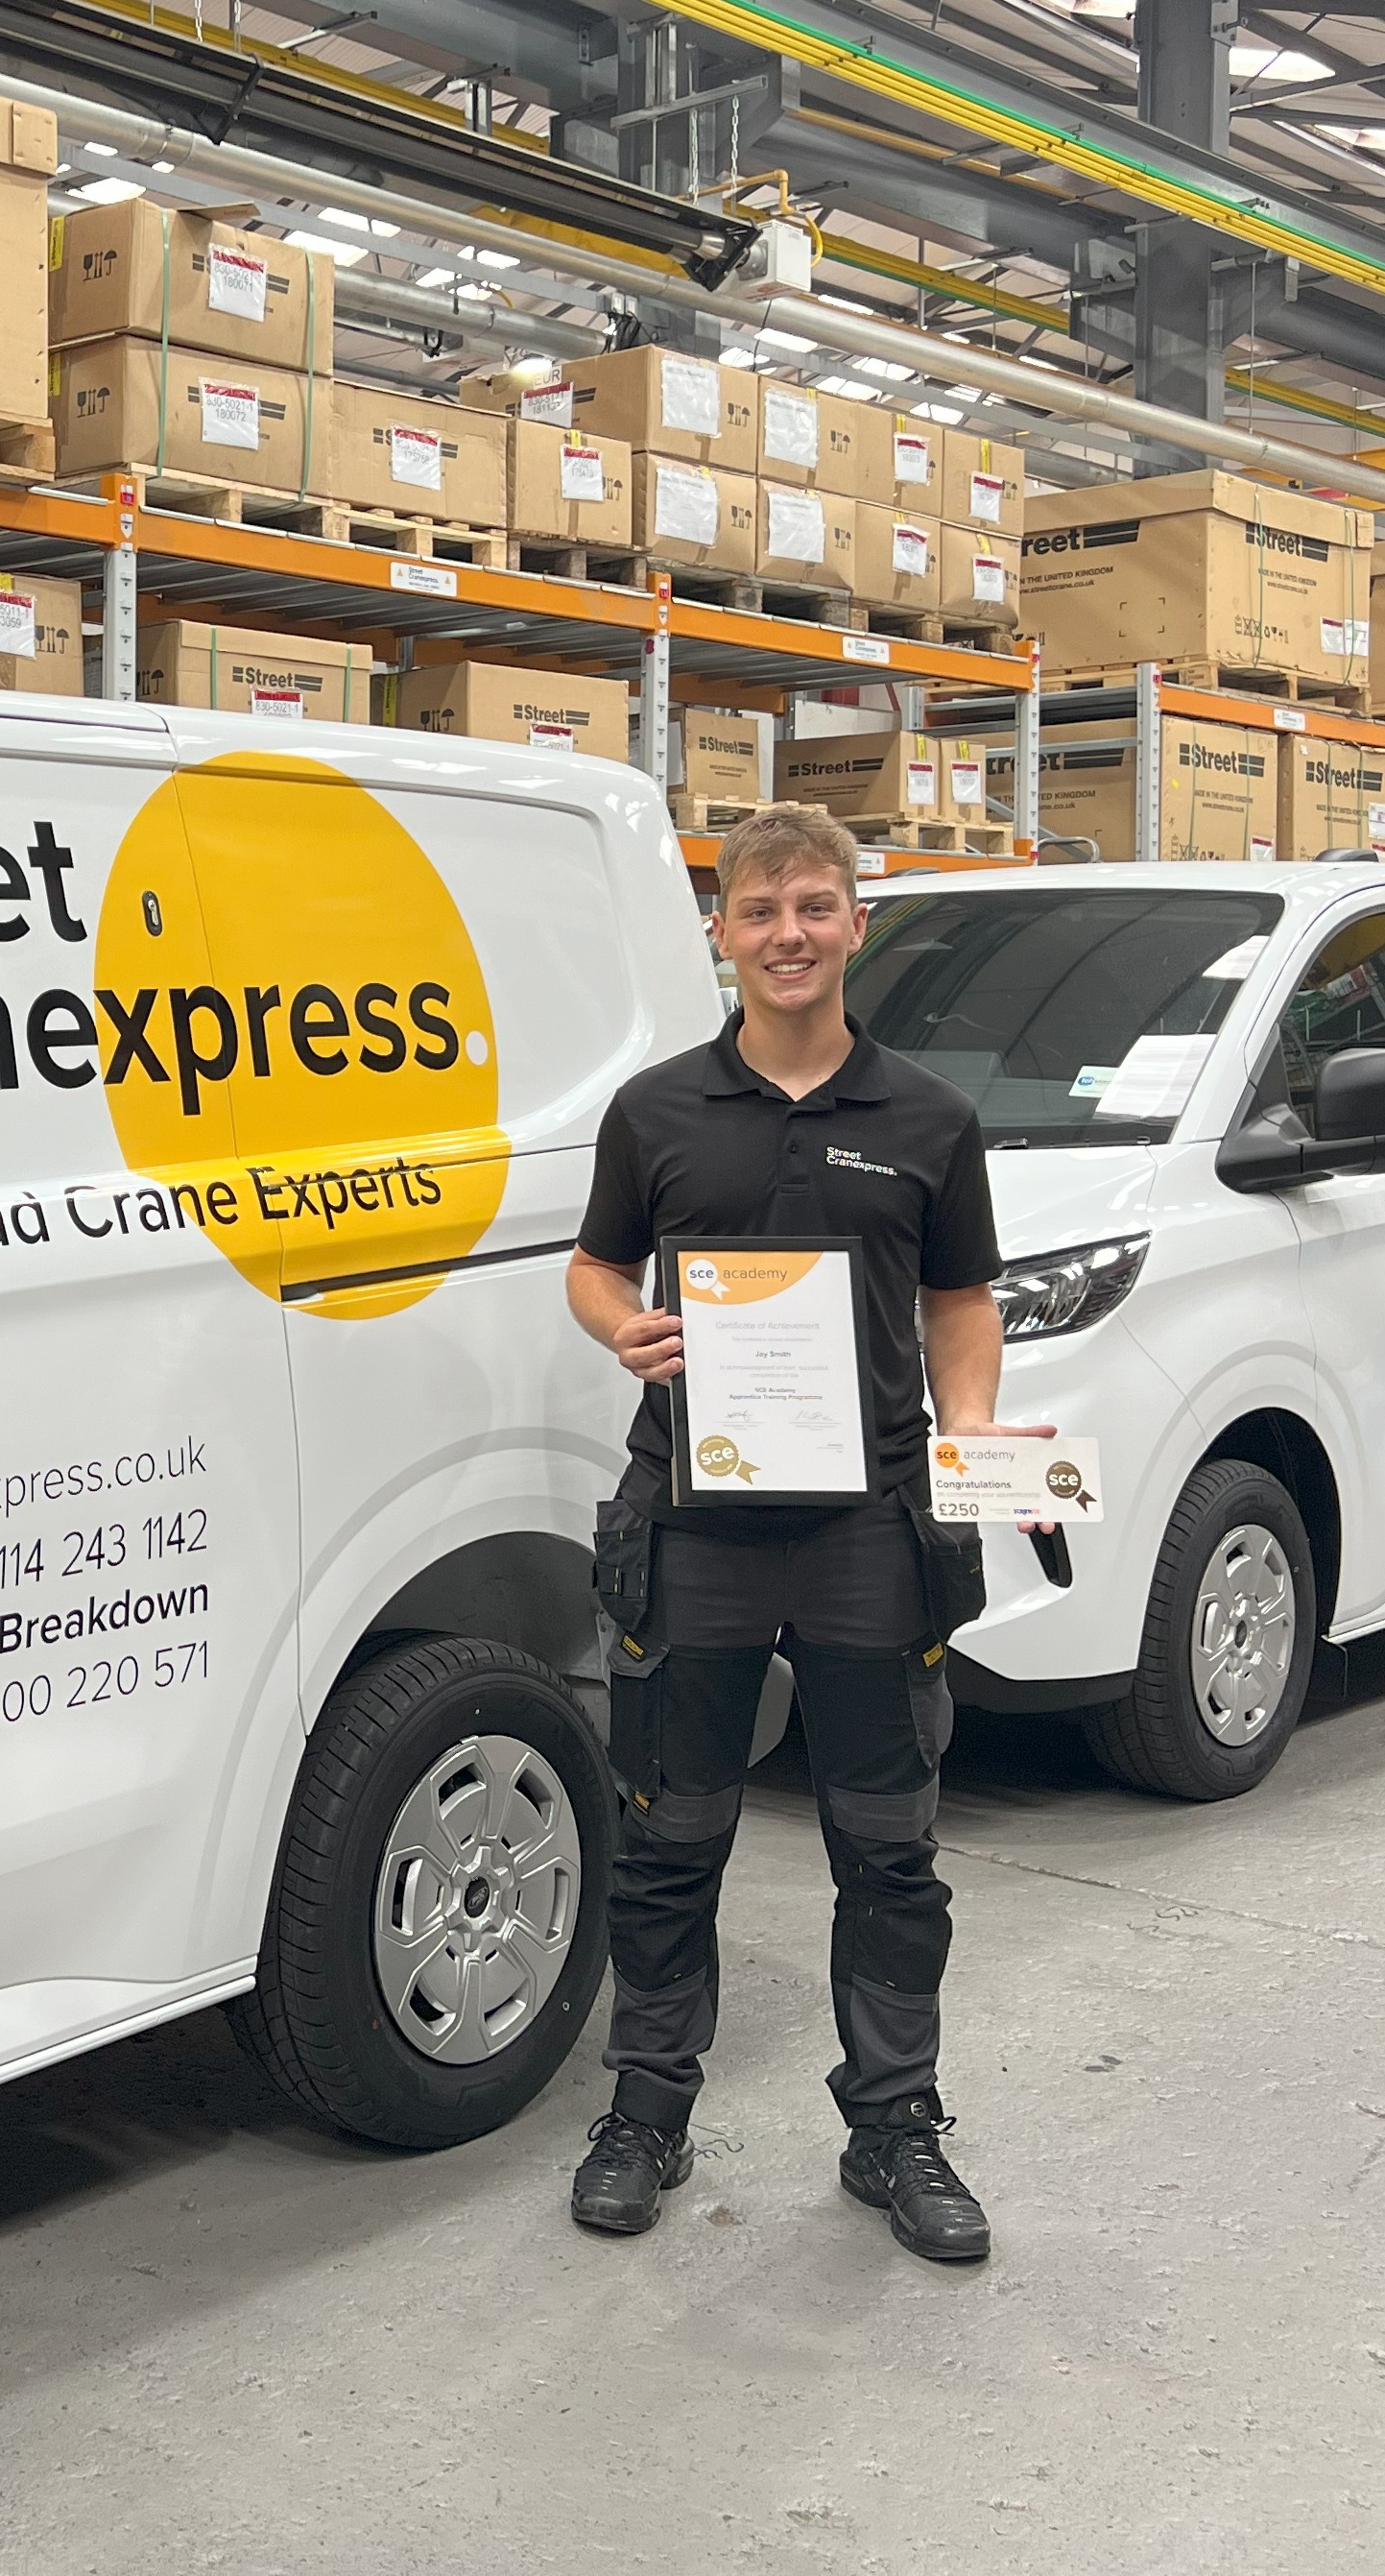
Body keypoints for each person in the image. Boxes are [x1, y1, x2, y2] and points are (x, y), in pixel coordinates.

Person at [561, 800, 1039, 2265]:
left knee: (886, 1849)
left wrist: (970, 1422)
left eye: (814, 907)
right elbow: (592, 1268)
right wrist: (624, 1330)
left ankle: (894, 2126)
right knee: (669, 1835)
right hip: (696, 1524)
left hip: (870, 1525)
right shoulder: (655, 1112)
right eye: (761, 911)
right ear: (722, 930)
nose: (788, 935)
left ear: (855, 922)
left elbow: (961, 1301)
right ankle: (647, 2108)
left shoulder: (928, 1119)